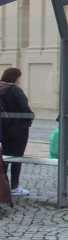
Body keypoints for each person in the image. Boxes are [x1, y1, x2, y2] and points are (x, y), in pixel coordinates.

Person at [0, 68, 34, 197]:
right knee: (17, 157)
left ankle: (4, 184)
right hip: (19, 128)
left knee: (6, 157)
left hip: (5, 128)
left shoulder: (1, 89)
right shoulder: (15, 90)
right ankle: (14, 186)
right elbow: (25, 109)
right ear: (15, 78)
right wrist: (30, 117)